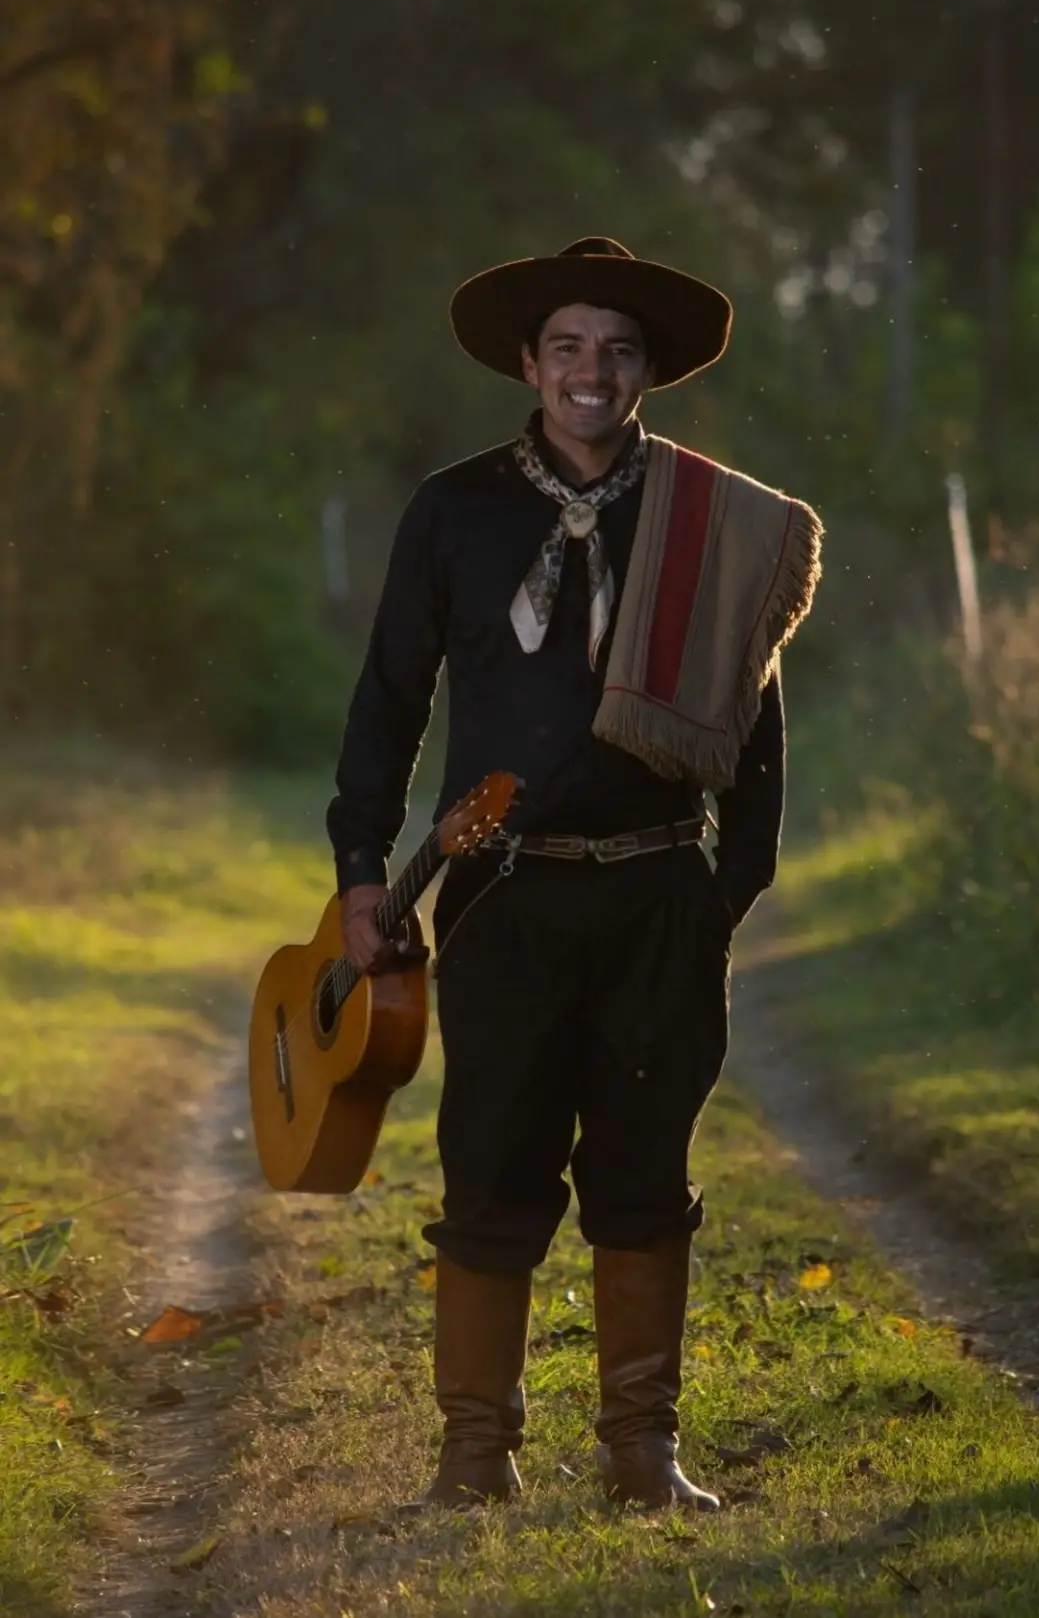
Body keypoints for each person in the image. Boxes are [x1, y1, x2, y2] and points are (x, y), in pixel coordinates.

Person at [328, 236, 822, 1512]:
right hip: (499, 899)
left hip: (662, 896)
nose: (590, 372)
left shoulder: (719, 520)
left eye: (615, 350)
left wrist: (732, 887)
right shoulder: (453, 509)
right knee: (489, 1166)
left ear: (647, 369)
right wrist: (360, 870)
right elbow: (390, 697)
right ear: (529, 363)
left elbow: (755, 718)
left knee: (646, 1174)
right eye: (567, 349)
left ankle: (643, 1455)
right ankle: (474, 1455)